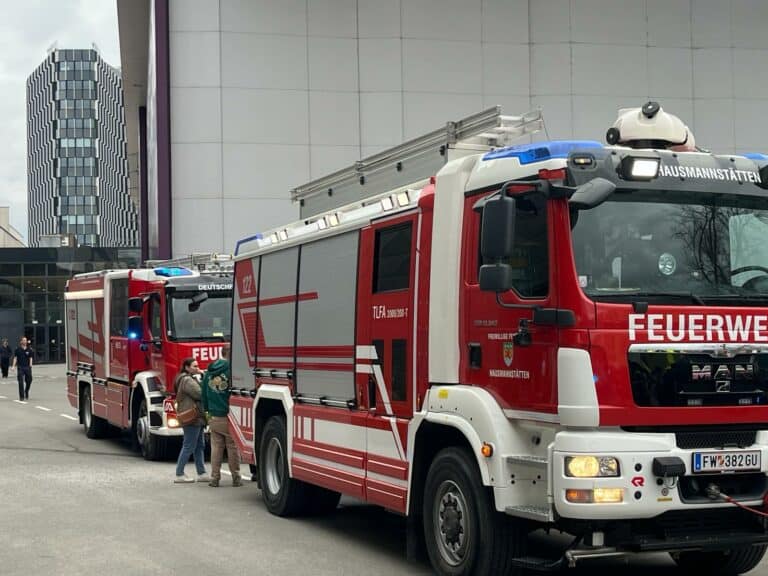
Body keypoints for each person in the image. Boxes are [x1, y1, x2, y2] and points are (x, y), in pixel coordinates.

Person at [201, 344, 241, 487]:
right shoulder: (231, 370)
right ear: (230, 353)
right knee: (232, 447)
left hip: (213, 414)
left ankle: (214, 478)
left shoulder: (209, 371)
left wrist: (207, 411)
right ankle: (236, 477)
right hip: (228, 414)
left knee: (216, 448)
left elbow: (204, 394)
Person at [173, 358, 210, 483]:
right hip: (193, 418)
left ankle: (202, 473)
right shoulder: (187, 380)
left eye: (197, 365)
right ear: (187, 367)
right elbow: (200, 394)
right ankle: (179, 474)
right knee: (189, 445)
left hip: (196, 417)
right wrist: (203, 376)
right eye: (194, 366)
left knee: (199, 445)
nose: (197, 368)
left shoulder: (186, 378)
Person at [12, 337, 33, 401]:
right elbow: (15, 358)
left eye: (25, 340)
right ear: (21, 342)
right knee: (20, 382)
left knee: (29, 380)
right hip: (20, 367)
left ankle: (26, 391)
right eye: (23, 340)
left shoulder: (29, 349)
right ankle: (21, 396)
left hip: (27, 367)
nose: (25, 341)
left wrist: (30, 365)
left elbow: (30, 357)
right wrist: (13, 366)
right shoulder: (17, 349)